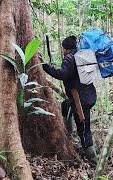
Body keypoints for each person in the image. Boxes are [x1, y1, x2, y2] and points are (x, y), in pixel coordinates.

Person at [42, 35, 97, 164]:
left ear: (65, 48)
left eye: (62, 47)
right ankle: (67, 134)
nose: (62, 50)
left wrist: (45, 66)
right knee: (66, 105)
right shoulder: (80, 56)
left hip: (80, 101)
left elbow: (63, 74)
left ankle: (94, 160)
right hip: (89, 96)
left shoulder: (69, 58)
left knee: (83, 129)